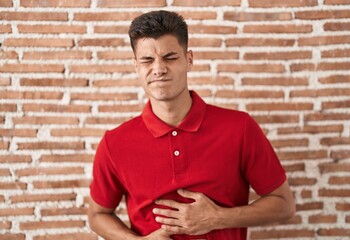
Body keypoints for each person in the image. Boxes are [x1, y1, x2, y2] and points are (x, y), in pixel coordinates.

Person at [87, 10, 295, 240]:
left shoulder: (240, 128)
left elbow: (284, 205)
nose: (158, 69)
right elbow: (97, 214)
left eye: (170, 57)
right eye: (147, 60)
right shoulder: (115, 142)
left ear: (189, 60)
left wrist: (219, 217)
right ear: (136, 65)